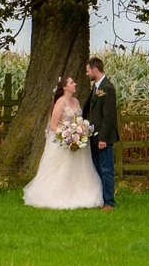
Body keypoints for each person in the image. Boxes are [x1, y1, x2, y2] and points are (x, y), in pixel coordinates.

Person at [21, 73, 104, 209]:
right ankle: (55, 195)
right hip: (64, 142)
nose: (75, 84)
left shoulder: (76, 102)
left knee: (79, 170)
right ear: (65, 87)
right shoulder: (60, 103)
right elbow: (53, 126)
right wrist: (67, 137)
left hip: (78, 142)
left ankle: (80, 194)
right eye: (72, 83)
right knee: (61, 171)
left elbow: (79, 120)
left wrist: (80, 131)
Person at [84, 55, 119, 209]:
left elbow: (109, 116)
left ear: (95, 70)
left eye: (88, 71)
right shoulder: (96, 87)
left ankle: (109, 202)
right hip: (94, 136)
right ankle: (100, 199)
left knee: (106, 170)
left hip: (103, 137)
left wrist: (103, 138)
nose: (87, 74)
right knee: (97, 168)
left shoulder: (108, 88)